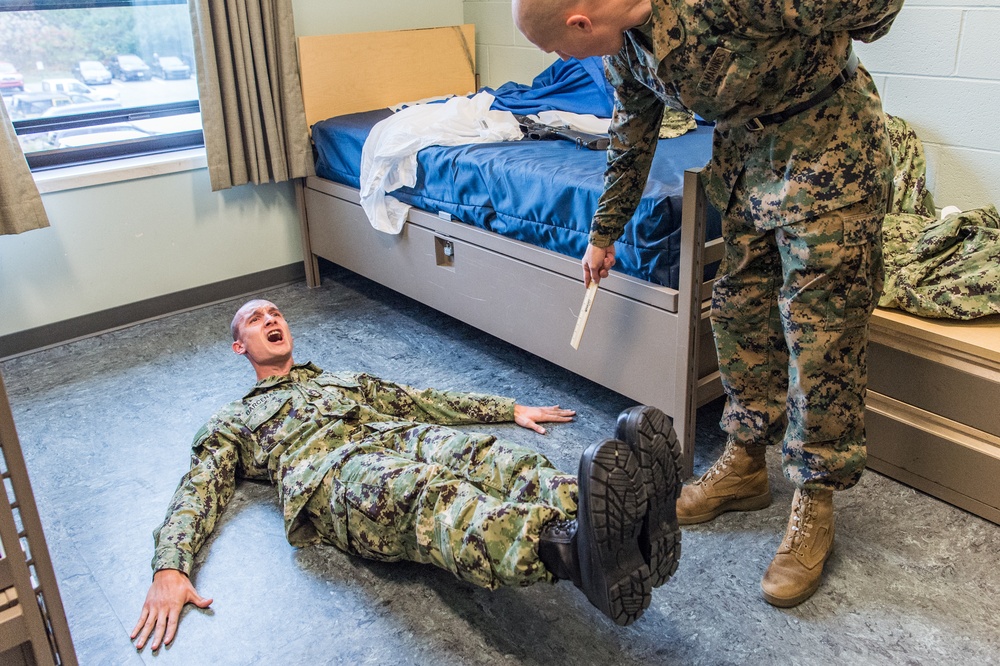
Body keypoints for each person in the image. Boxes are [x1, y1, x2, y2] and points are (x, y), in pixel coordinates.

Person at [513, 0, 902, 607]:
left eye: (558, 50)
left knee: (822, 338)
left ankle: (815, 498)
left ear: (580, 24)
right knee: (736, 311)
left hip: (829, 149)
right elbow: (633, 131)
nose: (564, 61)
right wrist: (604, 233)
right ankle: (746, 462)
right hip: (746, 162)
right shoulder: (628, 49)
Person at [131, 299, 683, 650]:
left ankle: (626, 514)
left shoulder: (342, 381)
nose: (271, 319)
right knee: (434, 498)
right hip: (336, 473)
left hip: (400, 436)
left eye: (276, 313)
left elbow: (420, 401)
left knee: (498, 459)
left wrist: (506, 409)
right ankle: (566, 551)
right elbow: (199, 485)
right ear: (240, 346)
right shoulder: (235, 419)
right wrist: (170, 566)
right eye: (256, 319)